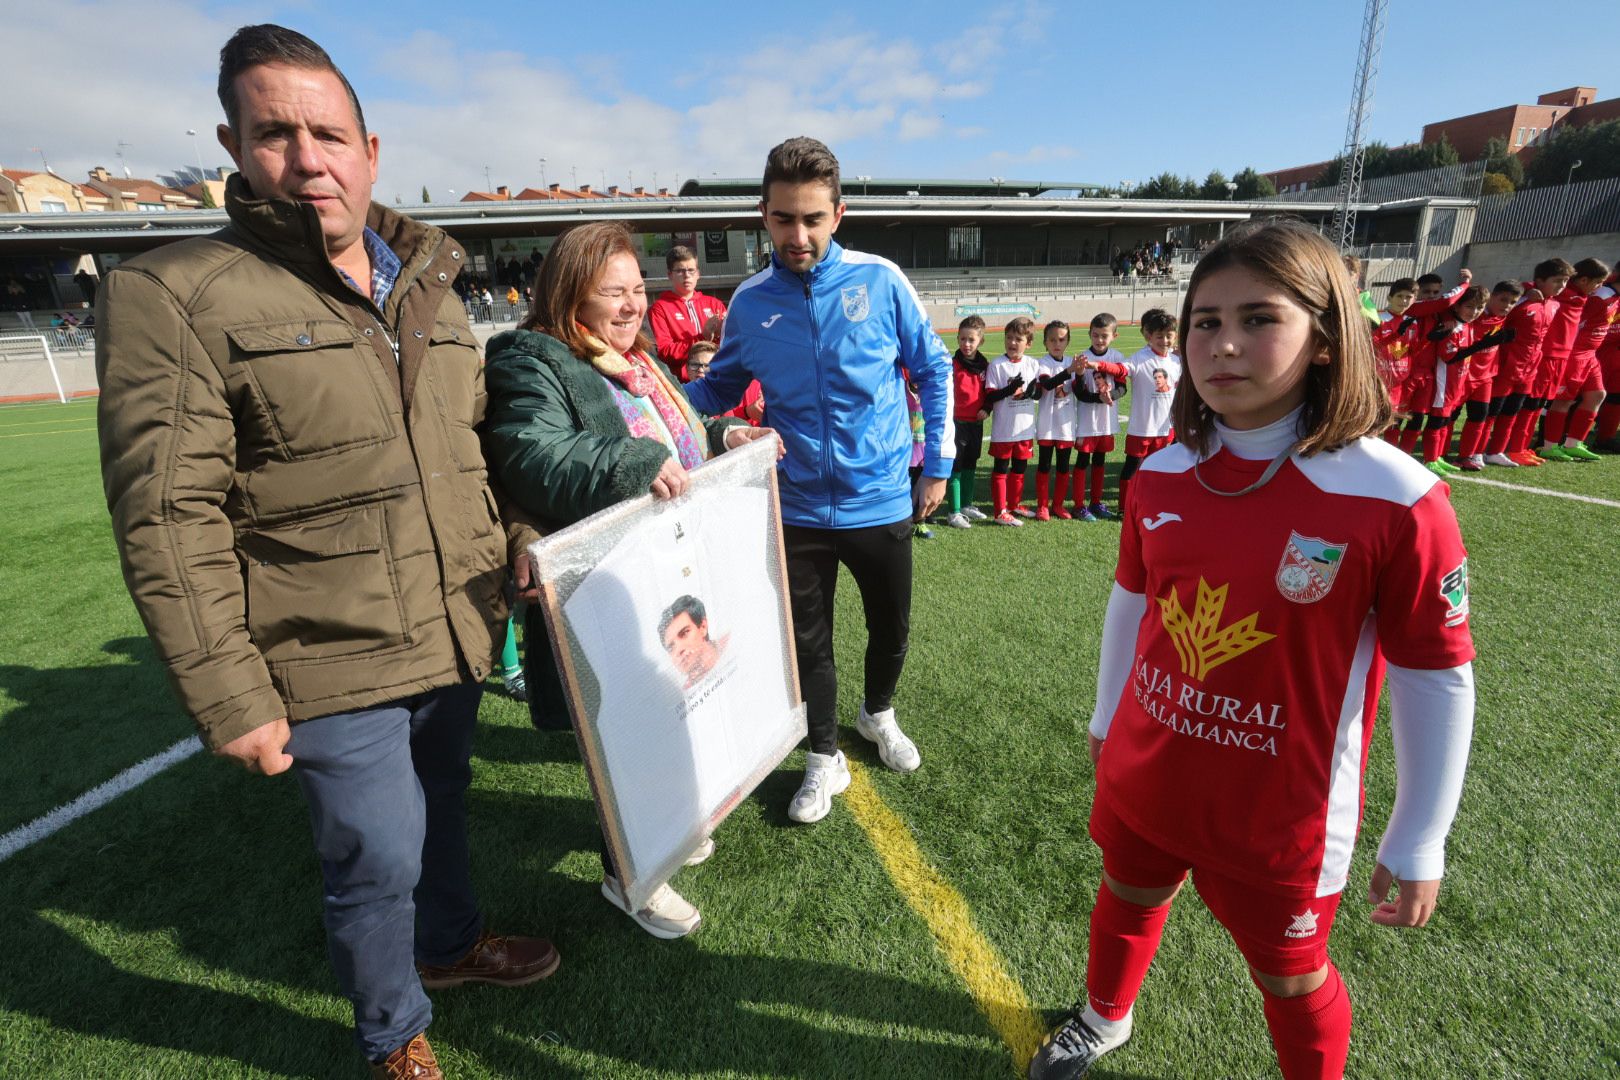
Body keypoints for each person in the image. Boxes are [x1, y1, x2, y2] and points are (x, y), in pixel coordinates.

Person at [93, 24, 554, 1079]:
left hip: (456, 621)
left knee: (443, 812)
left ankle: (449, 948)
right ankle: (392, 1037)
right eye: (275, 134)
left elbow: (473, 455)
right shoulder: (177, 295)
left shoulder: (431, 286)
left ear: (371, 148)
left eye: (329, 134)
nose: (308, 159)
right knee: (375, 853)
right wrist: (230, 695)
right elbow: (169, 514)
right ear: (232, 144)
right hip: (324, 647)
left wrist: (522, 542)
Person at [1030, 219, 1475, 1080]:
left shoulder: (1398, 497)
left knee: (1291, 974)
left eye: (1260, 319)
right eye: (1205, 320)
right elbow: (1132, 602)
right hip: (1150, 765)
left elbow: (1437, 674)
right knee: (1127, 894)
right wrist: (1104, 716)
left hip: (1283, 812)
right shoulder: (1159, 473)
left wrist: (1421, 836)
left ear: (1323, 339)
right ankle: (1103, 1017)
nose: (1223, 344)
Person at [479, 220, 774, 937]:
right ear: (569, 292)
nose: (633, 303)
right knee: (627, 733)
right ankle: (631, 876)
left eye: (637, 289)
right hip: (602, 591)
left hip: (662, 572)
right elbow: (531, 453)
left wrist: (726, 433)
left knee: (680, 704)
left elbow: (678, 436)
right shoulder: (530, 357)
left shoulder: (635, 360)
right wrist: (635, 468)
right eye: (613, 291)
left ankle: (666, 827)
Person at [685, 136, 953, 823]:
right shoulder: (749, 302)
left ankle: (878, 714)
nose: (797, 235)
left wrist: (938, 463)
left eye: (811, 218)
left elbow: (934, 370)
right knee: (810, 641)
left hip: (882, 498)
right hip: (795, 504)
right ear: (763, 215)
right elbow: (717, 386)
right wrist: (646, 394)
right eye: (783, 219)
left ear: (838, 212)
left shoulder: (881, 280)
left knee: (890, 628)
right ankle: (822, 758)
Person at [1083, 308, 1181, 515]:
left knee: (1159, 469)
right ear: (1149, 337)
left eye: (1168, 336)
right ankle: (1124, 507)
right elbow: (1120, 369)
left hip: (1166, 428)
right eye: (1159, 336)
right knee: (1132, 468)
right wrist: (1097, 364)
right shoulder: (1140, 358)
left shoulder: (1176, 361)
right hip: (1142, 428)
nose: (1164, 340)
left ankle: (1153, 503)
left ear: (1175, 337)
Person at [1483, 259, 1572, 467]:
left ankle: (1497, 451)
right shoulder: (1521, 301)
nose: (1561, 286)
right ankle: (1477, 452)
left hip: (1531, 368)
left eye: (1565, 281)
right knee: (1492, 412)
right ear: (1539, 281)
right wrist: (1525, 292)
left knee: (1513, 411)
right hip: (1507, 365)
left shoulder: (1554, 304)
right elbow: (1494, 313)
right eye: (1557, 281)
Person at [1537, 257, 1611, 461]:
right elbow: (1540, 293)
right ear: (1584, 280)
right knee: (1564, 401)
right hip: (1572, 354)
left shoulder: (1582, 295)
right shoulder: (1566, 295)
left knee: (1597, 395)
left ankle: (1573, 443)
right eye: (1598, 283)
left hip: (1589, 354)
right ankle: (1549, 446)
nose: (1600, 287)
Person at [984, 315, 1042, 525]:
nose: (1012, 343)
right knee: (1001, 468)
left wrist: (1030, 393)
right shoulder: (997, 365)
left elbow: (1038, 394)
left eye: (1018, 339)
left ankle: (1015, 504)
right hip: (1004, 429)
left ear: (1029, 343)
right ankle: (1000, 511)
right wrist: (1009, 389)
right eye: (1009, 338)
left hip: (1024, 430)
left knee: (1020, 468)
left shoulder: (1033, 364)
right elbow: (990, 396)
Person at [1071, 313, 1126, 520]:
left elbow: (1122, 389)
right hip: (1087, 422)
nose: (1099, 340)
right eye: (1095, 335)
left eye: (1104, 336)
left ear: (1114, 336)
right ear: (1089, 334)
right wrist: (1099, 398)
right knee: (1083, 461)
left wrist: (1110, 396)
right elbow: (1080, 393)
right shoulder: (1083, 358)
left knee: (1100, 461)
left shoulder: (1117, 358)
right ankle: (1078, 505)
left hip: (1107, 422)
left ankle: (1095, 502)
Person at [649, 244, 727, 381]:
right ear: (669, 275)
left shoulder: (715, 304)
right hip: (683, 385)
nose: (686, 276)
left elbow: (730, 345)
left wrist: (722, 334)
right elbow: (665, 352)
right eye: (680, 271)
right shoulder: (660, 308)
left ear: (698, 274)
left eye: (691, 270)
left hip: (717, 380)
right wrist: (703, 336)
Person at [945, 314, 991, 529]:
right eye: (963, 339)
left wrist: (987, 408)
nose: (966, 344)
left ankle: (966, 505)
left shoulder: (984, 366)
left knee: (971, 464)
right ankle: (953, 512)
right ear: (958, 339)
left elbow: (989, 393)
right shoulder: (952, 364)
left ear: (980, 341)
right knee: (955, 466)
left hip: (976, 423)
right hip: (957, 423)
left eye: (971, 340)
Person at [1032, 320, 1080, 520]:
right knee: (1044, 465)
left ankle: (1058, 505)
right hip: (1047, 424)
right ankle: (1042, 506)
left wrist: (1081, 374)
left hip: (1066, 425)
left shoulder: (1072, 363)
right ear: (1045, 342)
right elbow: (1048, 384)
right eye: (1052, 340)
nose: (1056, 343)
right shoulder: (1043, 363)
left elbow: (1079, 389)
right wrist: (1069, 371)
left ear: (1067, 341)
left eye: (1061, 339)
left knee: (1063, 466)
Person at [660, 594, 728, 688]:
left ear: (703, 627)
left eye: (684, 633)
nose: (678, 650)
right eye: (671, 647)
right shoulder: (682, 694)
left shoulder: (732, 646)